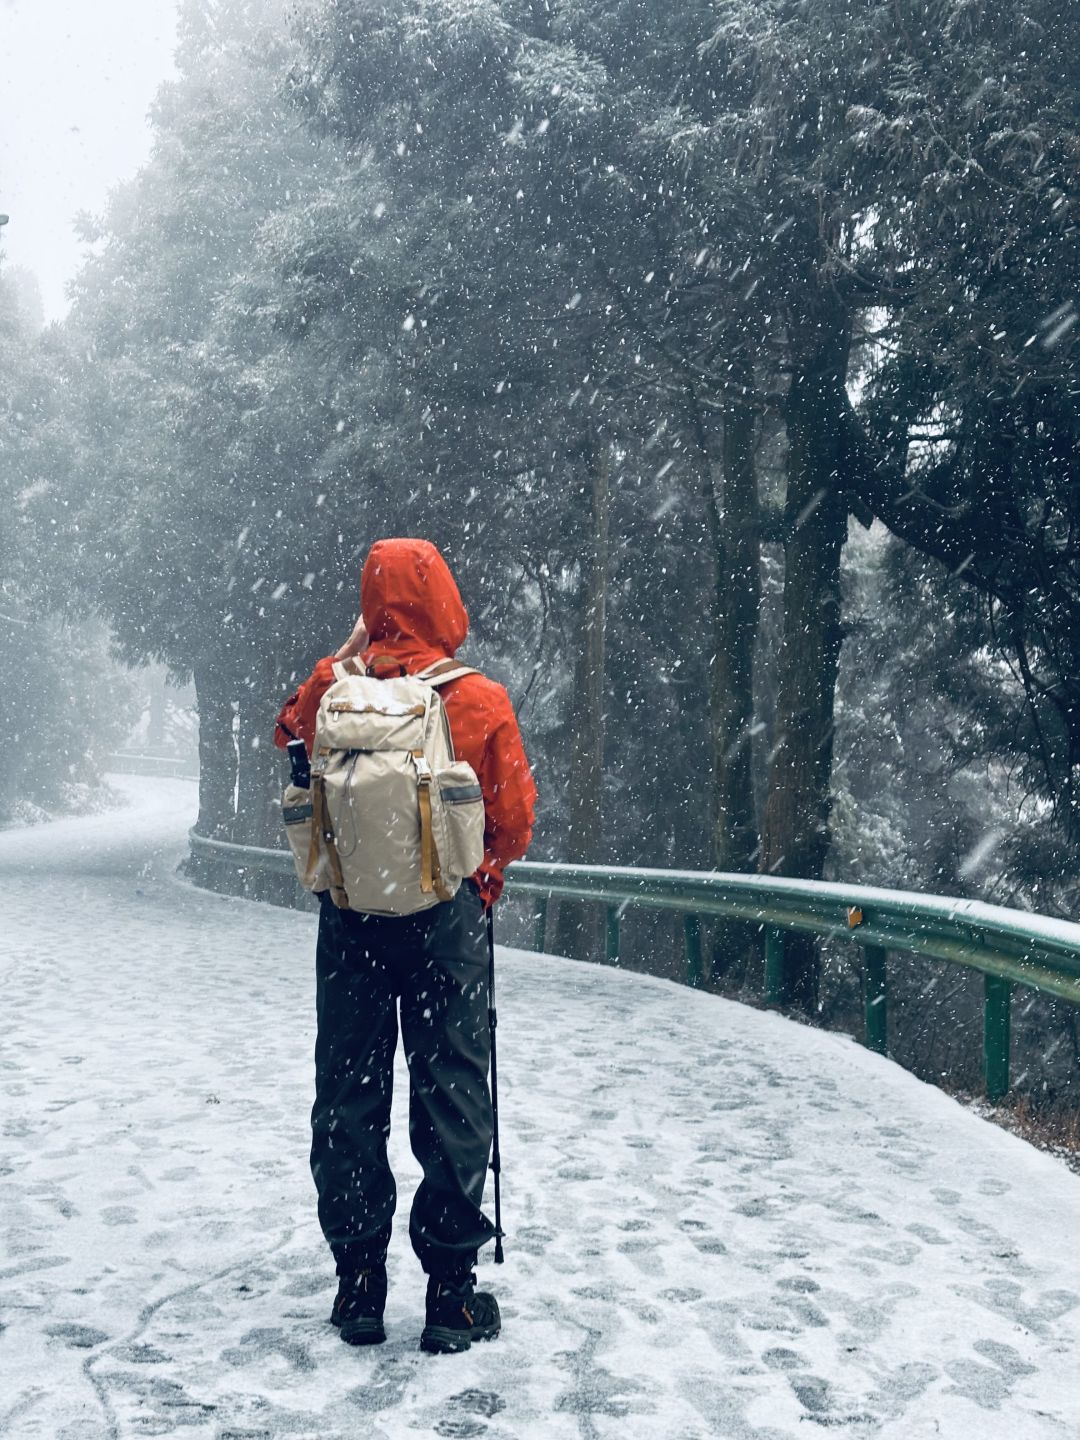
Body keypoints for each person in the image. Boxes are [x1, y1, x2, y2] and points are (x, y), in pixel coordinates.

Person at [274, 538, 536, 1354]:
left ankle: (358, 1285)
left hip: (351, 916)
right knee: (451, 1088)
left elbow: (287, 741)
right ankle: (451, 1297)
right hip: (445, 919)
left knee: (350, 1091)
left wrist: (347, 654)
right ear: (443, 597)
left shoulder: (331, 692)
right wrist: (479, 876)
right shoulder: (478, 699)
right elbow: (515, 819)